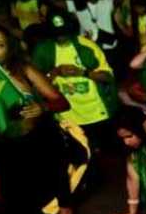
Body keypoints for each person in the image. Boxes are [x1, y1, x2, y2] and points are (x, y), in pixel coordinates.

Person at [0, 23, 77, 214]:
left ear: (9, 47)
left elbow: (62, 102)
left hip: (38, 135)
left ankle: (66, 209)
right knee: (23, 207)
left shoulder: (23, 69)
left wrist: (42, 107)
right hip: (4, 141)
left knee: (53, 156)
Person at [31, 10, 116, 145]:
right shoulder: (43, 50)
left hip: (96, 113)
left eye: (64, 32)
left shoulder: (87, 46)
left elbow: (108, 78)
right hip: (67, 118)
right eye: (57, 33)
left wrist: (82, 72)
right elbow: (34, 86)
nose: (61, 37)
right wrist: (55, 72)